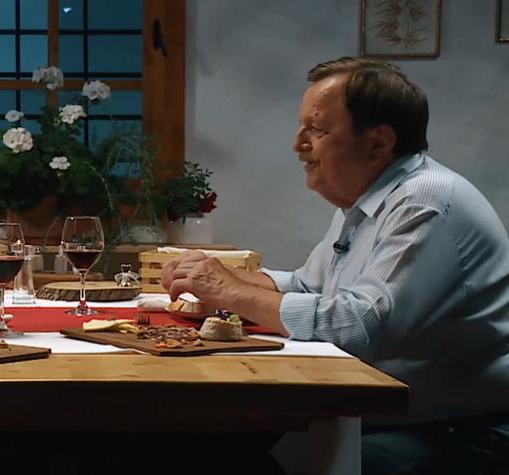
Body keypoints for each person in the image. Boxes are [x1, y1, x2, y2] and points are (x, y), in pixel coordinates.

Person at [161, 57, 509, 474]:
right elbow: (309, 287)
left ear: (378, 144)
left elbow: (357, 326)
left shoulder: (424, 202)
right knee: (199, 441)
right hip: (380, 409)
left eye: (317, 129)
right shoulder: (366, 200)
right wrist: (225, 278)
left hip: (455, 428)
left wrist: (226, 289)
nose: (298, 144)